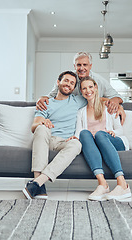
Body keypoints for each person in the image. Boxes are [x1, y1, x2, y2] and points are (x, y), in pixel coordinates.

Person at [23, 70, 87, 199]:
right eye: (66, 81)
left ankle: (37, 184)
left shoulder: (77, 101)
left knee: (76, 144)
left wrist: (117, 105)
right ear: (58, 82)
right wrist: (43, 121)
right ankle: (38, 184)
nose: (68, 84)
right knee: (41, 128)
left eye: (72, 83)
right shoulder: (46, 103)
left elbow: (96, 98)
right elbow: (34, 126)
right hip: (48, 139)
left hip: (65, 142)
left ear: (74, 88)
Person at [75, 76, 131, 201]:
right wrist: (72, 139)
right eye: (84, 88)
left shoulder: (108, 106)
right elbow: (78, 133)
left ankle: (123, 185)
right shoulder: (81, 112)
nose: (88, 90)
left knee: (100, 134)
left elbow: (120, 130)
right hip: (95, 145)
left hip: (114, 141)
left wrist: (112, 132)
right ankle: (102, 184)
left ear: (96, 88)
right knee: (84, 133)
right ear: (81, 92)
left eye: (90, 87)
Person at [36, 51, 126, 124]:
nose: (82, 68)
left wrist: (116, 103)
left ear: (90, 66)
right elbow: (52, 96)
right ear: (74, 66)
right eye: (79, 65)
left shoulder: (99, 81)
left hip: (93, 117)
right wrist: (42, 98)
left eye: (85, 65)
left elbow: (118, 97)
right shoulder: (68, 79)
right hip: (73, 118)